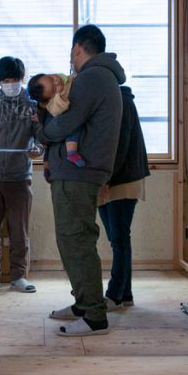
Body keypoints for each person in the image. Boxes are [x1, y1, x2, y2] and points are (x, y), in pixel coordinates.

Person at [40, 25, 125, 337]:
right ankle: (83, 302)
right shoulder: (103, 77)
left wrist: (40, 134)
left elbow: (64, 122)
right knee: (73, 239)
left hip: (77, 174)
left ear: (78, 49)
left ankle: (93, 315)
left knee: (76, 240)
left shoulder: (92, 78)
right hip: (79, 172)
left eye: (71, 53)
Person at [0, 57, 43, 295]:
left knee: (19, 229)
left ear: (22, 78)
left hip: (19, 176)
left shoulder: (33, 107)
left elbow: (41, 136)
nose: (11, 84)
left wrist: (38, 149)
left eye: (14, 79)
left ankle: (18, 275)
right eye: (6, 80)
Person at [100, 83, 151, 311]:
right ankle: (125, 293)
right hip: (114, 177)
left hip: (121, 178)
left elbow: (119, 144)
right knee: (118, 239)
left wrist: (106, 178)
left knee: (119, 239)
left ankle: (115, 295)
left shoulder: (120, 101)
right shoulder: (115, 99)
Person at [27, 73, 85, 167]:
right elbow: (62, 108)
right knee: (73, 132)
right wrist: (60, 96)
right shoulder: (55, 103)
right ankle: (71, 152)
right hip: (62, 131)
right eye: (54, 89)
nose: (57, 82)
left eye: (52, 78)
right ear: (50, 99)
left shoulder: (59, 79)